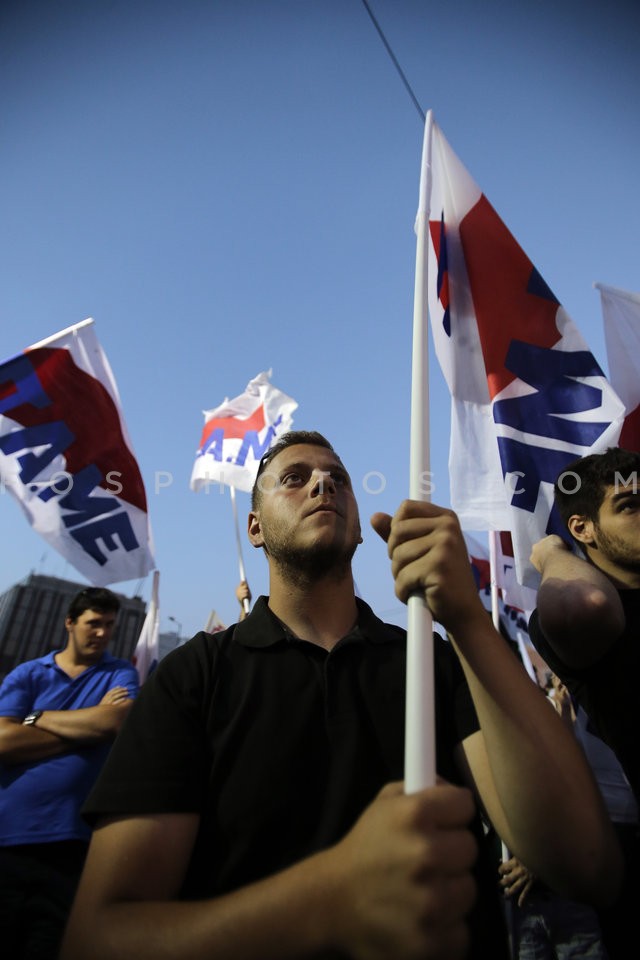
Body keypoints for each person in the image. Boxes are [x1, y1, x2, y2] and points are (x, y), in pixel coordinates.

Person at [61, 431, 621, 960]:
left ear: (357, 528)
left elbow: (585, 863)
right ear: (254, 528)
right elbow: (98, 938)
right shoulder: (194, 676)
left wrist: (468, 620)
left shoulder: (432, 663)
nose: (323, 485)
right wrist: (325, 903)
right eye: (294, 478)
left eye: (338, 479)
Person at [528, 446, 640, 958]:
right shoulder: (582, 614)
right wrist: (551, 553)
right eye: (630, 505)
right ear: (583, 528)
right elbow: (587, 605)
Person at [0, 586, 139, 960]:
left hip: (72, 844)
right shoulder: (28, 674)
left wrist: (34, 718)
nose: (103, 633)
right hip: (8, 838)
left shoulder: (120, 673)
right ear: (70, 623)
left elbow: (116, 722)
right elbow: (3, 740)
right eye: (94, 623)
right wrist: (85, 732)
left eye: (109, 624)